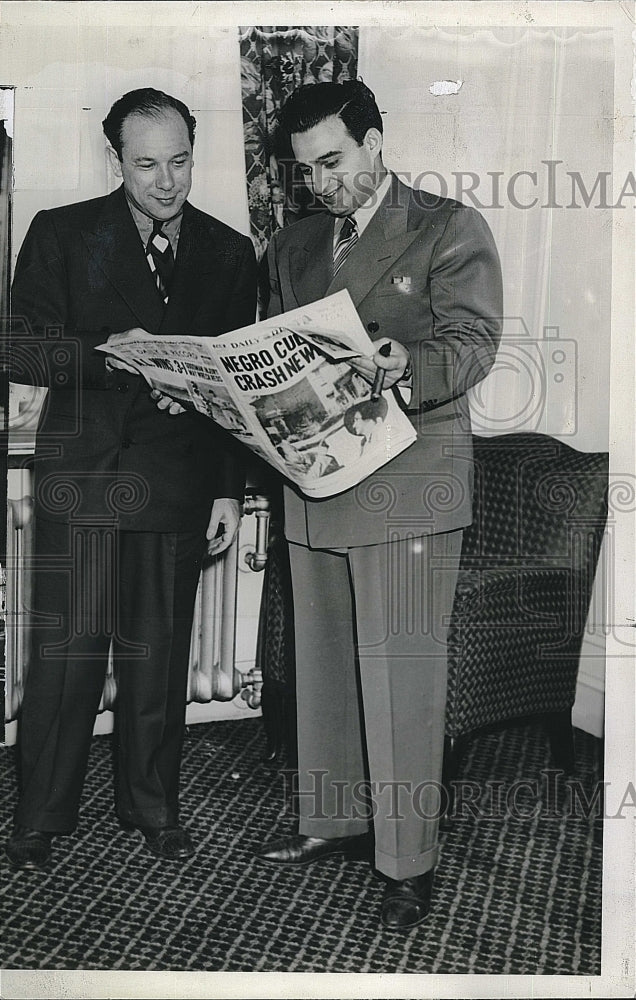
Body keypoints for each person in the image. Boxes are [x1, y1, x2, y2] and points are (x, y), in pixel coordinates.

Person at [255, 80, 503, 930]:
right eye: (306, 171)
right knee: (323, 668)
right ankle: (334, 822)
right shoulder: (291, 246)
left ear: (374, 141)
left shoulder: (446, 226)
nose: (321, 183)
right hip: (314, 479)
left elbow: (472, 346)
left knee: (402, 680)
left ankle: (407, 860)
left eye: (333, 161)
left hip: (408, 485)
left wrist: (410, 362)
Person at [6, 88, 257, 870]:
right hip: (83, 478)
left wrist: (226, 488)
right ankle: (40, 819)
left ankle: (153, 809)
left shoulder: (228, 252)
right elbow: (20, 350)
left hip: (177, 481)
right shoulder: (62, 233)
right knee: (65, 658)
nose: (166, 181)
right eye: (146, 163)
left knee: (159, 659)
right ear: (114, 158)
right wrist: (108, 349)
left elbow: (233, 385)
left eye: (180, 161)